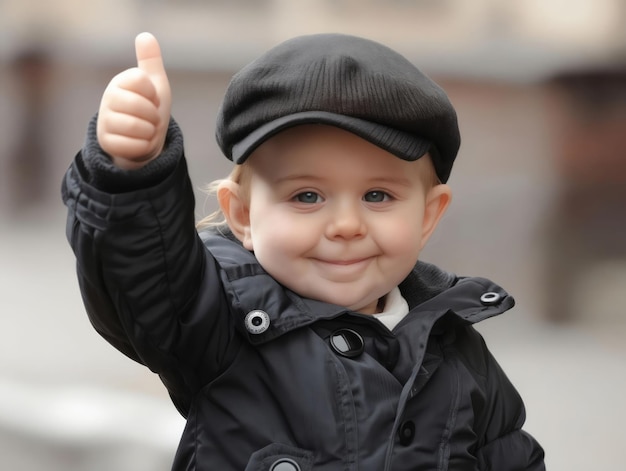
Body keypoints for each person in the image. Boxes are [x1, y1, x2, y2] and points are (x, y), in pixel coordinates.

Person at [62, 32, 545, 470]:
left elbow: (511, 457)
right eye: (306, 196)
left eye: (377, 196)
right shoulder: (218, 321)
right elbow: (144, 279)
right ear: (244, 215)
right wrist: (132, 173)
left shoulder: (456, 349)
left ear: (427, 217)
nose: (346, 226)